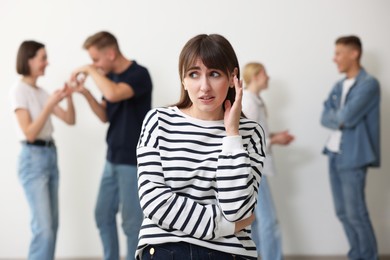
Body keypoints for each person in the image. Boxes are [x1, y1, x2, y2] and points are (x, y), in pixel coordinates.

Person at [136, 34, 266, 260]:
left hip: (228, 254)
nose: (204, 87)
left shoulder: (250, 132)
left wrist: (232, 134)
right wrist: (225, 227)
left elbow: (236, 209)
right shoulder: (157, 121)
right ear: (183, 81)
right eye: (194, 74)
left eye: (214, 74)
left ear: (233, 77)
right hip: (165, 249)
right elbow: (154, 201)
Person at [71, 31, 153, 260]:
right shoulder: (111, 79)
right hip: (112, 158)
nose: (94, 65)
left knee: (131, 223)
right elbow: (105, 115)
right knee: (102, 214)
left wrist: (88, 71)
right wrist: (86, 93)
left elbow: (114, 94)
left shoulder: (139, 74)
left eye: (96, 59)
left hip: (132, 161)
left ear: (110, 53)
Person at [9, 40, 75, 260]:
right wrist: (49, 105)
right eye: (42, 58)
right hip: (33, 159)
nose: (47, 63)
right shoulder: (19, 91)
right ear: (29, 60)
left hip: (49, 156)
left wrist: (68, 96)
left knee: (52, 227)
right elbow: (29, 132)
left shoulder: (42, 91)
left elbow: (69, 119)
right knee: (43, 229)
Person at [321, 35, 380, 260]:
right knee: (343, 213)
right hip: (334, 154)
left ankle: (369, 257)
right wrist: (340, 117)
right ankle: (357, 255)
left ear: (353, 53)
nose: (334, 58)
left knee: (356, 214)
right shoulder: (338, 85)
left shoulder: (369, 84)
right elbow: (324, 117)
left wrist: (339, 116)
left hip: (354, 156)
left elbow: (348, 116)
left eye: (338, 53)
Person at [242, 62, 294, 260]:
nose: (268, 77)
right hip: (255, 170)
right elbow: (247, 141)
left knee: (255, 221)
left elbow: (256, 134)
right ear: (255, 76)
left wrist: (274, 136)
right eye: (264, 73)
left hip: (255, 169)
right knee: (268, 221)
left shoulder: (255, 101)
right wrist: (274, 140)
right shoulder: (249, 103)